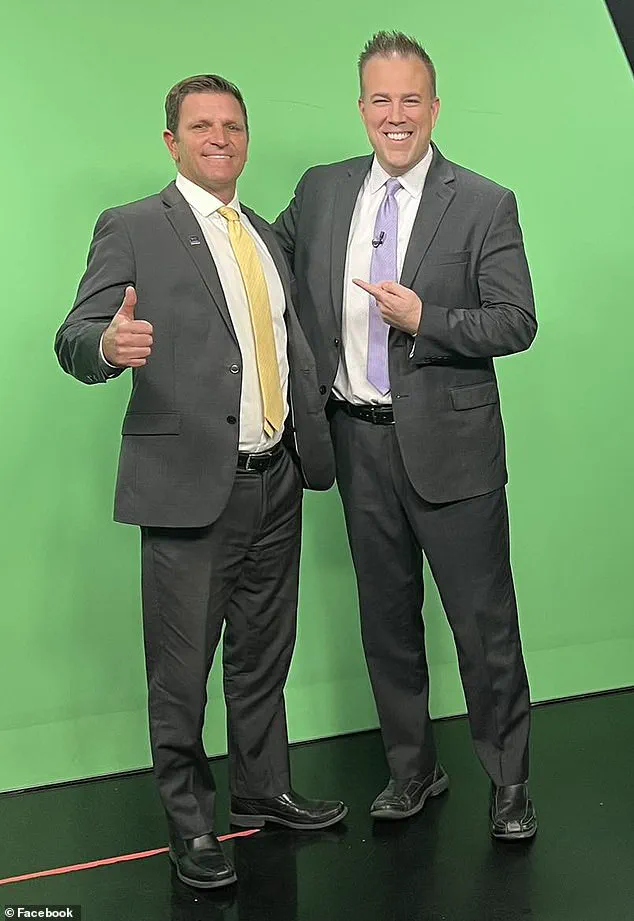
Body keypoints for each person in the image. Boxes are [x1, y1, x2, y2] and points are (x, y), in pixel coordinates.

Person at [55, 74, 347, 891]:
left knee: (263, 652)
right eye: (201, 125)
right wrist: (106, 347)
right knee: (180, 674)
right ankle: (190, 823)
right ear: (172, 141)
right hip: (187, 489)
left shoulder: (263, 234)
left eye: (232, 125)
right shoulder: (132, 226)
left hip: (276, 476)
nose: (219, 137)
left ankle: (265, 787)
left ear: (245, 138)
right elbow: (75, 335)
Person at [274, 32, 538, 840]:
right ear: (362, 109)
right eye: (381, 100)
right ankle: (412, 770)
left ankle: (509, 781)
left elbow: (516, 320)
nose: (396, 115)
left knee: (483, 624)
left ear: (434, 107)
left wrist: (429, 318)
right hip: (357, 442)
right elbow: (261, 257)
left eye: (411, 100)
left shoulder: (484, 201)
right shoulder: (321, 190)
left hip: (453, 450)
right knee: (386, 621)